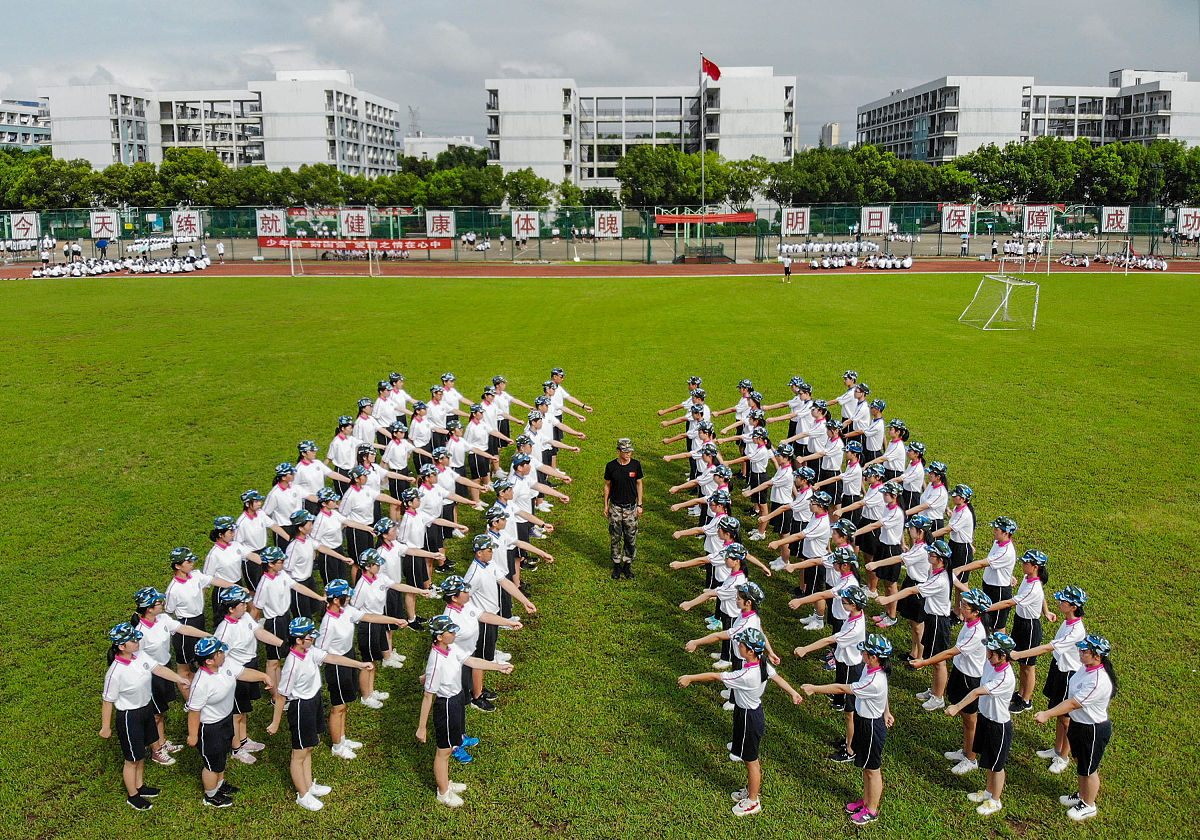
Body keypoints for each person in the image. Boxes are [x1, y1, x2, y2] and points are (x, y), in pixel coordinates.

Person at [678, 628, 803, 817]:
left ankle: (753, 801)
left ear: (751, 651)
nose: (739, 646)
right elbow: (776, 677)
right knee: (747, 757)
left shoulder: (747, 675)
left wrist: (690, 678)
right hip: (747, 713)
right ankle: (751, 790)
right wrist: (793, 692)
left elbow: (715, 676)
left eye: (742, 644)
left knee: (751, 761)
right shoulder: (762, 662)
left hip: (749, 718)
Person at [267, 617, 373, 811]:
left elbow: (333, 658)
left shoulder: (309, 652)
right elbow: (281, 696)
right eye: (309, 637)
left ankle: (308, 785)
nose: (313, 639)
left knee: (308, 748)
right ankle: (302, 795)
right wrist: (275, 723)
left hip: (313, 702)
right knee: (299, 753)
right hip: (301, 708)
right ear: (299, 640)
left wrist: (359, 665)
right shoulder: (292, 664)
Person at [415, 615, 514, 808]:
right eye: (450, 631)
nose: (454, 633)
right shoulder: (436, 661)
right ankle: (443, 793)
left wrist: (499, 667)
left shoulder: (451, 648)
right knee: (443, 752)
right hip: (446, 706)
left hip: (457, 699)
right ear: (439, 637)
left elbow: (471, 661)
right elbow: (428, 696)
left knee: (451, 745)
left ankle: (446, 783)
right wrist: (422, 727)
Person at [801, 634, 895, 825]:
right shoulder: (871, 668)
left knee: (872, 769)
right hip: (864, 720)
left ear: (874, 657)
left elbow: (842, 689)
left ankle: (871, 810)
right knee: (866, 767)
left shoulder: (874, 680)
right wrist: (887, 711)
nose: (862, 653)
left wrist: (814, 688)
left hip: (871, 726)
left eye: (865, 651)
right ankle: (866, 801)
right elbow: (884, 694)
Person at [99, 622, 191, 810]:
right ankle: (133, 796)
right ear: (121, 646)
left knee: (140, 753)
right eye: (133, 640)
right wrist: (105, 727)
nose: (137, 642)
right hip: (129, 717)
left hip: (145, 710)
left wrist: (179, 679)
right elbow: (107, 701)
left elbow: (158, 669)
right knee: (132, 759)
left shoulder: (139, 656)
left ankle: (140, 786)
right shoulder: (115, 673)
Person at [316, 578, 407, 757]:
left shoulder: (346, 610)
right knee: (338, 708)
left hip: (348, 657)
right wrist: (356, 664)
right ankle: (337, 747)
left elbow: (369, 617)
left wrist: (395, 620)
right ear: (336, 600)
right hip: (337, 666)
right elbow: (322, 653)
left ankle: (342, 738)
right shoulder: (328, 624)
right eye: (346, 596)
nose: (349, 598)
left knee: (344, 706)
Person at [1034, 634, 1116, 822]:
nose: (1080, 653)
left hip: (1092, 730)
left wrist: (1047, 714)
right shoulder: (1085, 668)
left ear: (1097, 656)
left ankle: (1089, 805)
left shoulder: (1098, 681)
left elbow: (1072, 703)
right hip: (1079, 724)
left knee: (1089, 769)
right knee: (1081, 763)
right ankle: (1082, 794)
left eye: (1085, 651)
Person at [185, 636, 272, 808]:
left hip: (225, 720)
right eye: (219, 652)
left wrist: (264, 676)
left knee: (222, 757)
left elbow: (243, 673)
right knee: (212, 764)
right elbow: (194, 712)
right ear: (209, 661)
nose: (223, 653)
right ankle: (210, 796)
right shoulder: (201, 684)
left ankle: (219, 784)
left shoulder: (225, 664)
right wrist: (193, 736)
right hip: (210, 728)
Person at [128, 586, 209, 766]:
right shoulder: (140, 633)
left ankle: (162, 742)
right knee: (155, 714)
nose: (162, 603)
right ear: (149, 609)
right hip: (150, 676)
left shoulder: (163, 619)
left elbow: (183, 629)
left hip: (164, 668)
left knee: (161, 711)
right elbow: (138, 661)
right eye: (158, 602)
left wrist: (207, 636)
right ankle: (156, 750)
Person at [945, 632, 1017, 816]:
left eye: (991, 652)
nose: (987, 654)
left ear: (1002, 656)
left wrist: (957, 707)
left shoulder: (1005, 677)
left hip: (998, 726)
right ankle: (988, 791)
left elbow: (977, 692)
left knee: (997, 765)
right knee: (989, 760)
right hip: (986, 718)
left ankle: (995, 800)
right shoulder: (991, 664)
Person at [212, 585, 283, 765]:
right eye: (242, 603)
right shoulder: (224, 631)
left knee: (243, 708)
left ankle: (243, 739)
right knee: (236, 713)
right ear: (231, 608)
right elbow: (220, 659)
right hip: (236, 673)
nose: (246, 605)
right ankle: (236, 748)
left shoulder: (244, 617)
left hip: (249, 665)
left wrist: (282, 644)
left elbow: (259, 632)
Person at [603, 438, 643, 580]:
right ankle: (616, 564)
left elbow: (639, 483)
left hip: (631, 508)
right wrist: (606, 505)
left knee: (630, 538)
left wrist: (640, 504)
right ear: (618, 451)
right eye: (625, 451)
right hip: (615, 507)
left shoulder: (636, 465)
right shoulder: (611, 466)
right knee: (615, 537)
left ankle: (627, 564)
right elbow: (607, 485)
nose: (628, 453)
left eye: (630, 451)